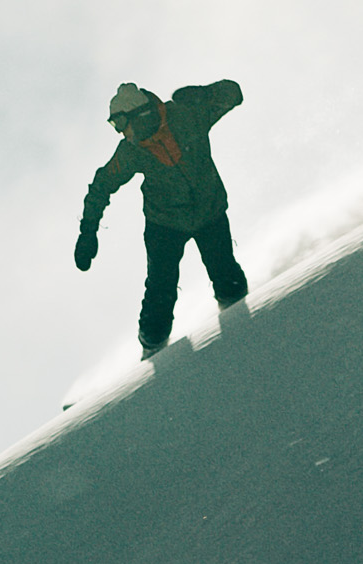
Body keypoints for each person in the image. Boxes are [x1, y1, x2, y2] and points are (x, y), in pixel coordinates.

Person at [74, 79, 249, 358]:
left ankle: (243, 322)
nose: (121, 133)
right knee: (160, 289)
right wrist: (88, 231)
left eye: (120, 124)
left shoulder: (188, 115)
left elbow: (234, 94)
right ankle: (152, 345)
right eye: (115, 127)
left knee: (227, 275)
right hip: (164, 225)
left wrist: (204, 94)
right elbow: (101, 186)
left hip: (209, 211)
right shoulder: (131, 150)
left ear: (138, 115)